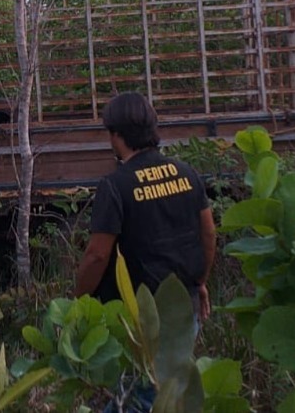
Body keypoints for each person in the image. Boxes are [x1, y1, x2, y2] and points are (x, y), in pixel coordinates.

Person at [74, 92, 216, 411]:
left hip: (139, 319)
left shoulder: (115, 185)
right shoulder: (187, 173)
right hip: (183, 307)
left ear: (116, 135)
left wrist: (78, 301)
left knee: (137, 397)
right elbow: (208, 232)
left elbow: (97, 255)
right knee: (166, 392)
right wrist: (201, 282)